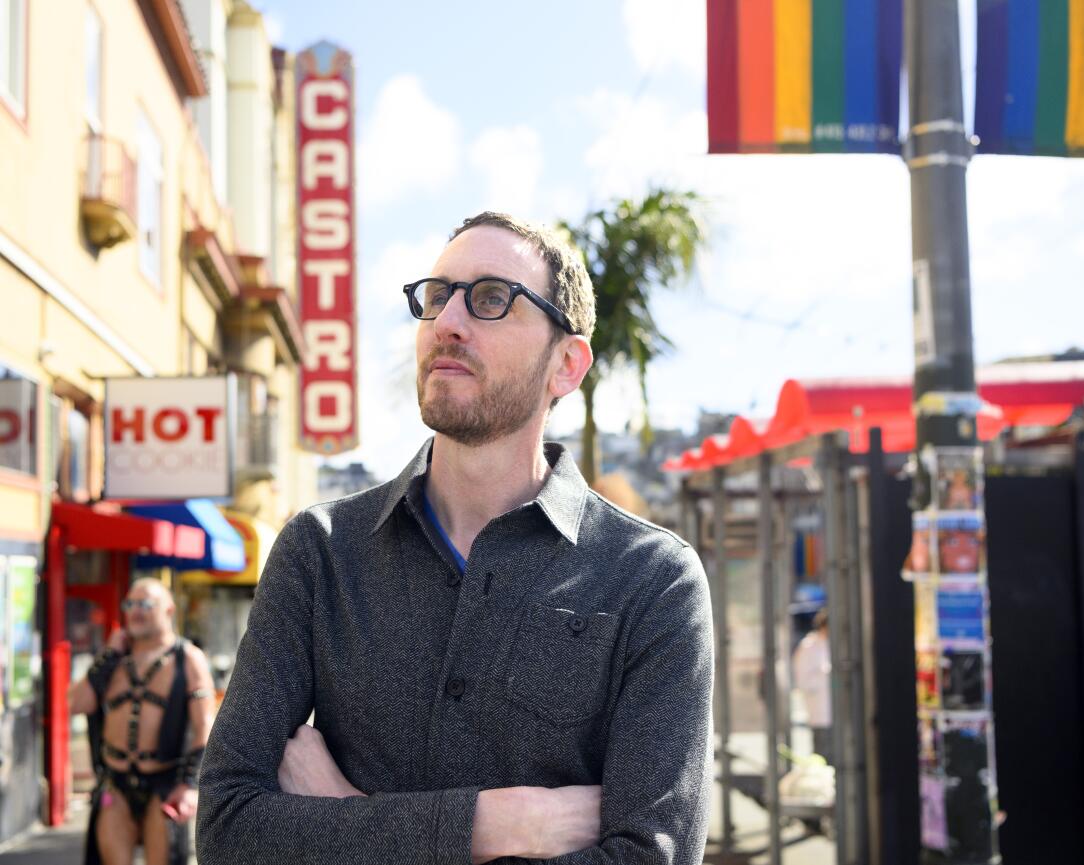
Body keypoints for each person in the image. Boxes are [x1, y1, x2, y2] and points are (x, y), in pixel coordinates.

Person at [197, 212, 715, 863]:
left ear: (566, 364)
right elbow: (226, 831)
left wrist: (347, 815)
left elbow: (650, 857)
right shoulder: (319, 552)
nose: (447, 322)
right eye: (437, 296)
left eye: (493, 298)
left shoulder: (653, 579)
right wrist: (491, 826)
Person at [68, 578, 216, 865]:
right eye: (130, 604)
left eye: (146, 604)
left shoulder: (188, 659)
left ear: (169, 611)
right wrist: (109, 655)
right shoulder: (114, 661)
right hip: (115, 784)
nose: (136, 611)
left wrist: (190, 784)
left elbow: (205, 728)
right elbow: (76, 704)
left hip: (164, 785)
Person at [792, 609, 832, 763]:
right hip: (820, 711)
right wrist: (823, 674)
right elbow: (803, 681)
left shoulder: (829, 644)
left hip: (834, 712)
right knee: (822, 754)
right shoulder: (809, 647)